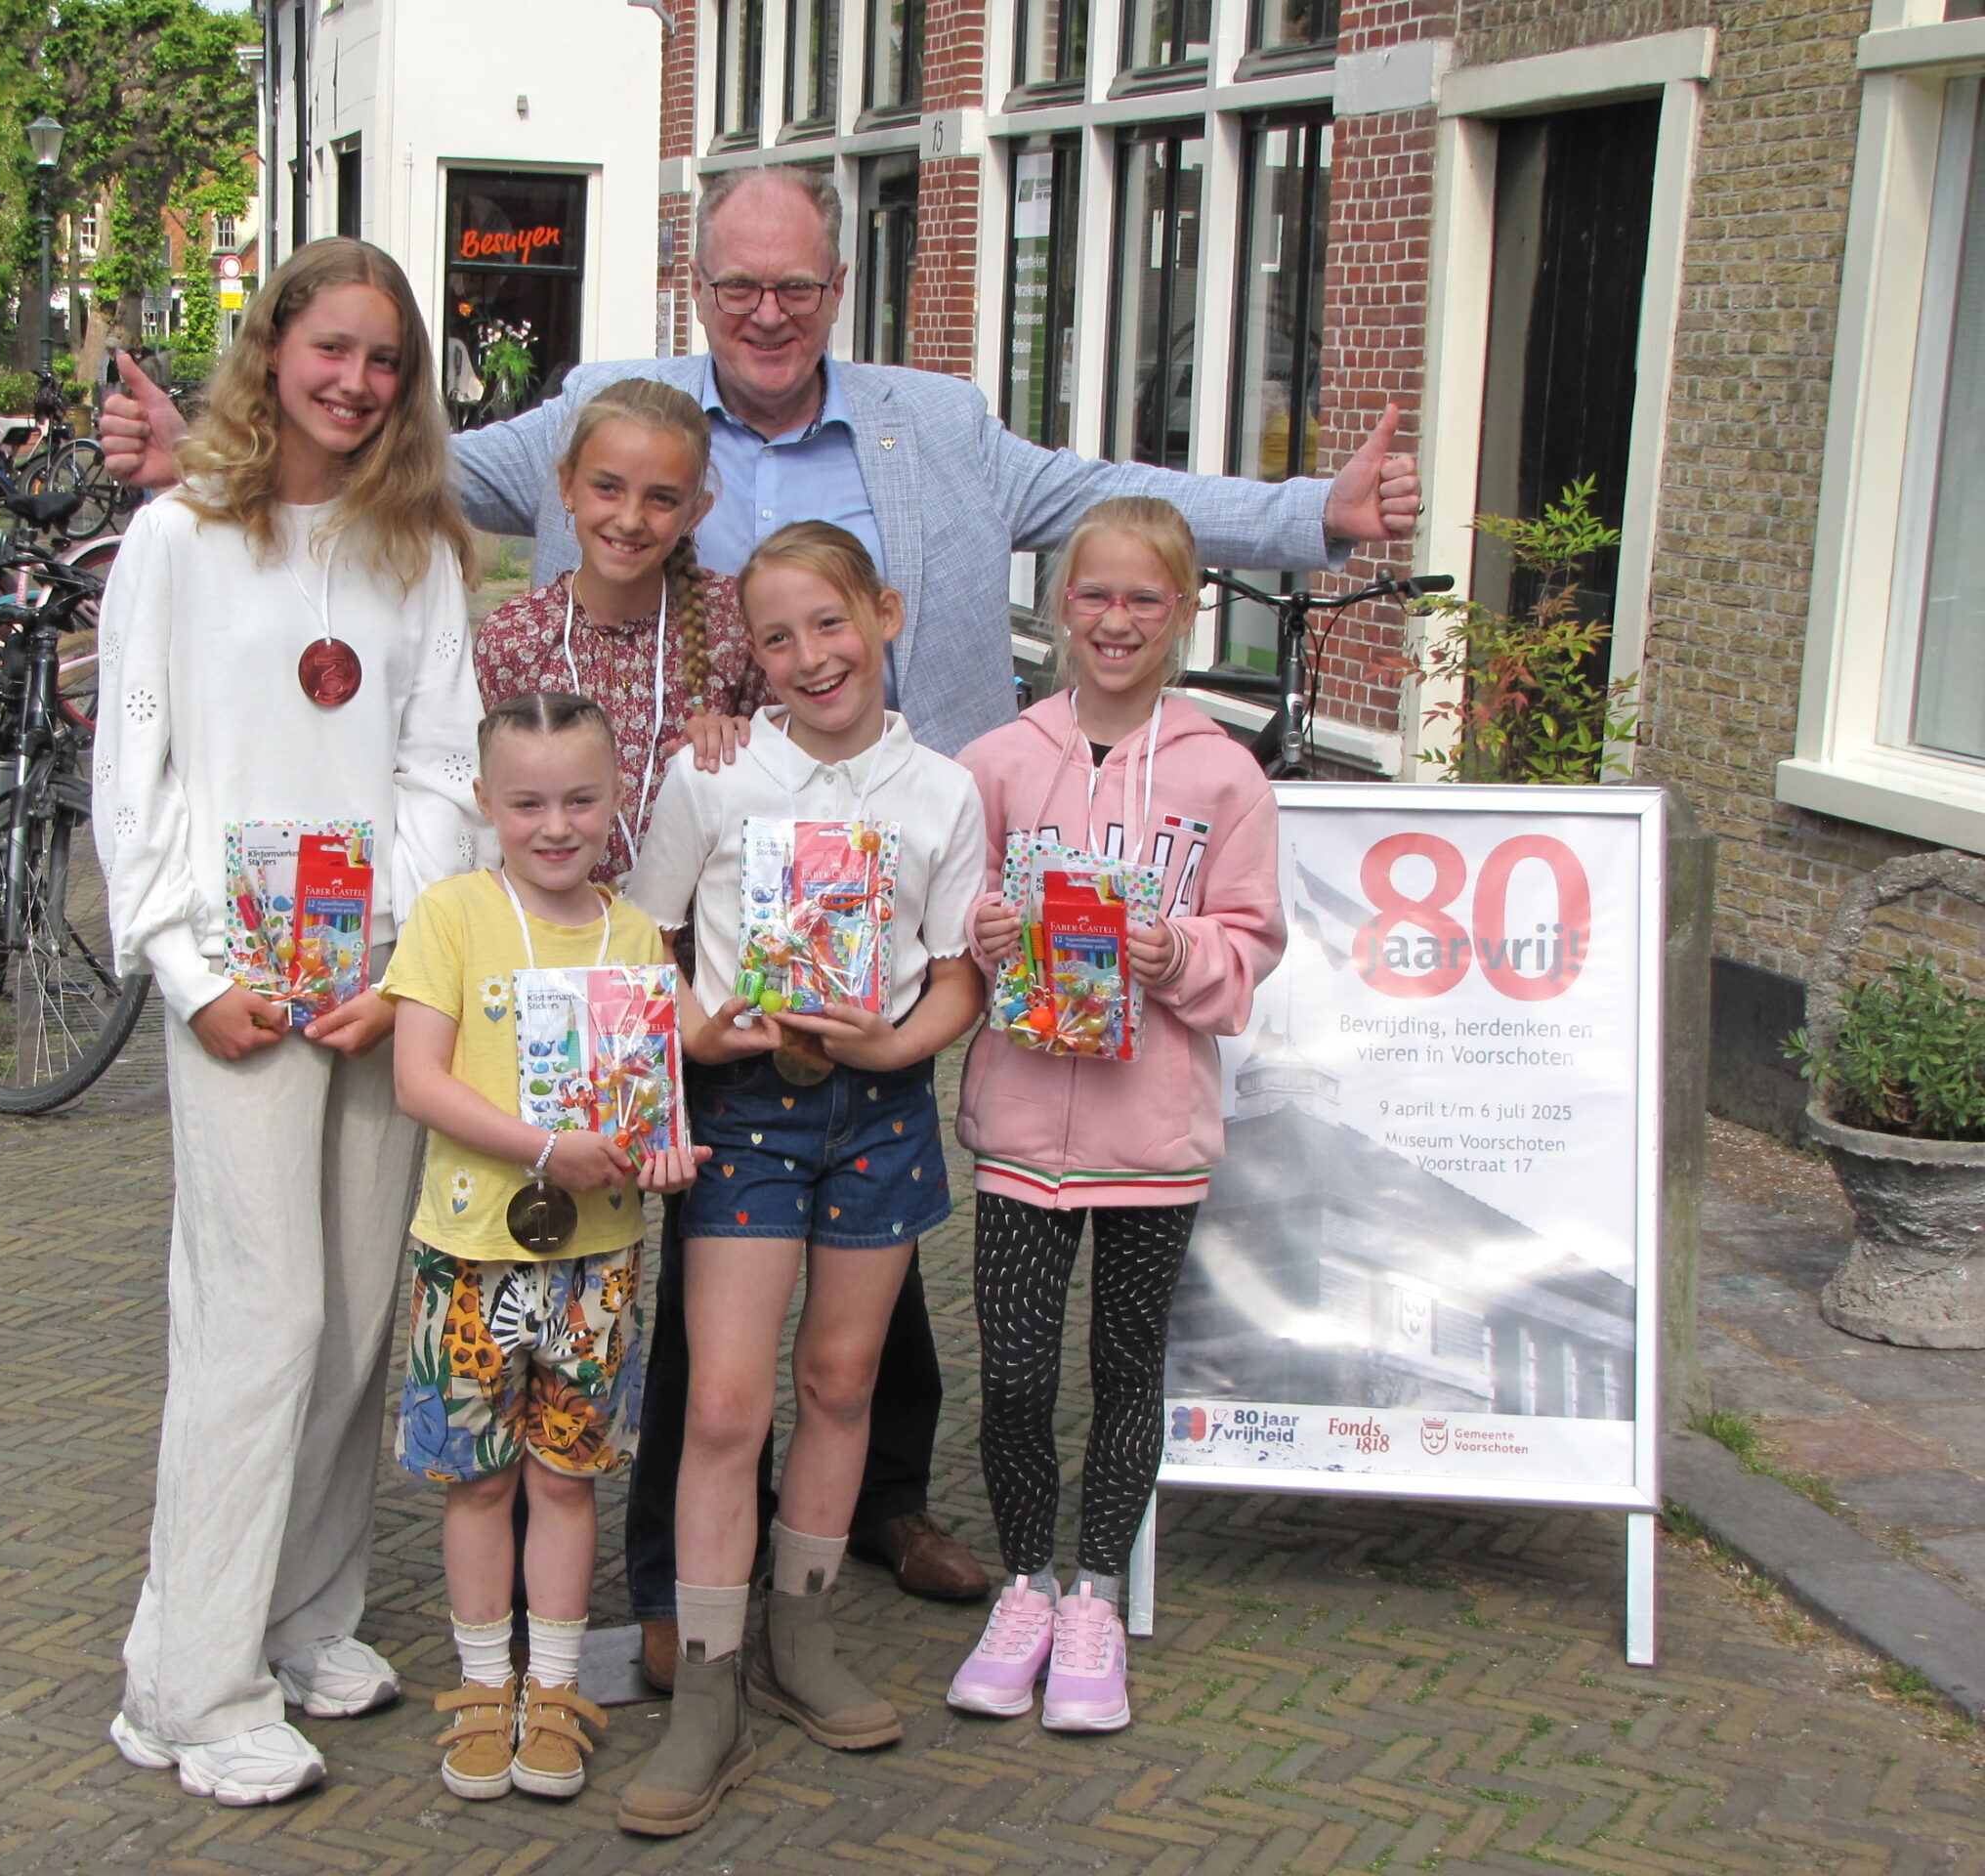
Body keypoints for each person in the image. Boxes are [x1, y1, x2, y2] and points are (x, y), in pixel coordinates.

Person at [100, 161, 1421, 1619]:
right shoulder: (616, 409)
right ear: (699, 293)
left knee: (876, 1253)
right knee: (690, 1238)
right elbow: (425, 456)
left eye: (796, 287)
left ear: (836, 292)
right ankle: (671, 1581)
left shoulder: (939, 422)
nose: (768, 312)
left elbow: (1114, 498)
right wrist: (201, 453)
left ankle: (882, 1510)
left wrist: (1314, 515)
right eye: (739, 287)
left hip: (904, 883)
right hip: (659, 934)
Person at [91, 236, 484, 1807]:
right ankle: (187, 1685)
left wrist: (395, 956)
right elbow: (141, 780)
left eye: (385, 359)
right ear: (272, 351)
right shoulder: (179, 540)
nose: (356, 382)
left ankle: (308, 1611)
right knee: (259, 1324)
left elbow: (441, 766)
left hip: (369, 990)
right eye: (332, 348)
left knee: (350, 1313)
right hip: (239, 991)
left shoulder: (418, 549)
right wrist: (192, 973)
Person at [614, 523, 989, 1837]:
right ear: (749, 660)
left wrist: (899, 1045)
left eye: (829, 623)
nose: (810, 655)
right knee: (722, 1403)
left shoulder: (943, 792)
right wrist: (696, 1028)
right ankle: (707, 1687)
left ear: (882, 614)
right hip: (745, 1111)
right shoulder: (716, 779)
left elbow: (959, 975)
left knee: (839, 1382)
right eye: (777, 638)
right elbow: (642, 937)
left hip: (879, 1112)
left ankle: (803, 1637)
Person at [948, 497, 1285, 1730]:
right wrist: (982, 936)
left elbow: (1252, 945)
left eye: (1145, 598)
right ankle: (1025, 1584)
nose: (1116, 619)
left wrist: (1175, 948)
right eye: (1094, 594)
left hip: (1153, 1138)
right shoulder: (998, 759)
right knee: (1020, 1378)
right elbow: (950, 929)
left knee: (1127, 1367)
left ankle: (1096, 1596)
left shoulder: (1221, 775)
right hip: (1023, 1133)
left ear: (1185, 613)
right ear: (1058, 604)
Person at [382, 691, 708, 1805]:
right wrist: (543, 1149)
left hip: (598, 1262)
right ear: (486, 803)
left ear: (621, 801)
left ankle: (556, 1688)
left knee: (566, 1480)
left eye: (580, 799)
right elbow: (415, 1079)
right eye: (526, 803)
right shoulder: (450, 916)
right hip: (470, 1254)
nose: (555, 825)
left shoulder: (634, 937)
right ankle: (483, 1689)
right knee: (475, 1482)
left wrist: (663, 1152)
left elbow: (664, 1087)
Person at [471, 377, 764, 886]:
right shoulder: (513, 637)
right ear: (567, 485)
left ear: (697, 510)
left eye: (661, 499)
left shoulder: (738, 622)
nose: (629, 519)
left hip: (708, 945)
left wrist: (750, 749)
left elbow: (793, 778)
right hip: (559, 941)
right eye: (607, 488)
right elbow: (498, 805)